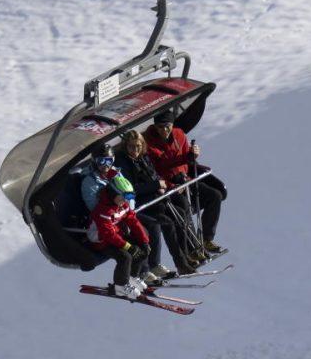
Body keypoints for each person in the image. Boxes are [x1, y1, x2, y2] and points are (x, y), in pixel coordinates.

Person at [140, 116, 226, 265]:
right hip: (169, 185)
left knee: (215, 196)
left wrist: (193, 155)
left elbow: (187, 158)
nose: (164, 130)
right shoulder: (149, 142)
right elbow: (158, 166)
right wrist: (174, 179)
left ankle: (206, 239)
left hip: (184, 180)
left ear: (172, 125)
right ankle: (193, 249)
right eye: (160, 127)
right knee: (183, 207)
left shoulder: (179, 134)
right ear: (155, 127)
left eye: (167, 126)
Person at [79, 149, 166, 290]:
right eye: (102, 161)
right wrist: (128, 246)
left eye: (109, 160)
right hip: (102, 235)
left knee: (144, 242)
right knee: (126, 256)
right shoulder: (94, 191)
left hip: (118, 224)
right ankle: (122, 284)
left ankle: (135, 276)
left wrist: (144, 241)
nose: (106, 165)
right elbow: (105, 228)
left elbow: (132, 215)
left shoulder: (119, 188)